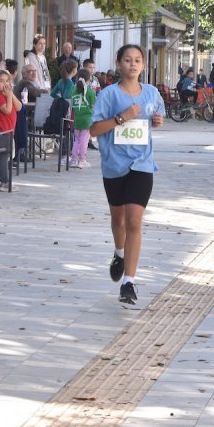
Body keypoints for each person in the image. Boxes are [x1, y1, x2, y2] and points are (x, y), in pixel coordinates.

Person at [89, 44, 165, 305]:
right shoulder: (109, 95)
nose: (133, 65)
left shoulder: (152, 93)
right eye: (128, 60)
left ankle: (128, 282)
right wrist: (121, 118)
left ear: (143, 65)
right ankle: (119, 253)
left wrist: (157, 121)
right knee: (118, 219)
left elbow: (158, 114)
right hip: (114, 165)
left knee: (134, 221)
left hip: (142, 165)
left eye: (137, 61)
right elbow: (94, 130)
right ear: (119, 63)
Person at [0, 70, 20, 191]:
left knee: (3, 155)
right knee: (3, 156)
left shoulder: (7, 94)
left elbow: (18, 107)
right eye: (1, 81)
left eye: (7, 81)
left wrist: (11, 95)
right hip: (2, 130)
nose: (5, 84)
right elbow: (7, 110)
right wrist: (8, 97)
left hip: (9, 130)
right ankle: (5, 182)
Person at [69, 70, 97, 169]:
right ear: (89, 80)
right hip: (87, 120)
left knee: (76, 140)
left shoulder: (73, 90)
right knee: (84, 141)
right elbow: (94, 106)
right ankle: (82, 160)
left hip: (77, 118)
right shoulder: (90, 92)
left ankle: (73, 160)